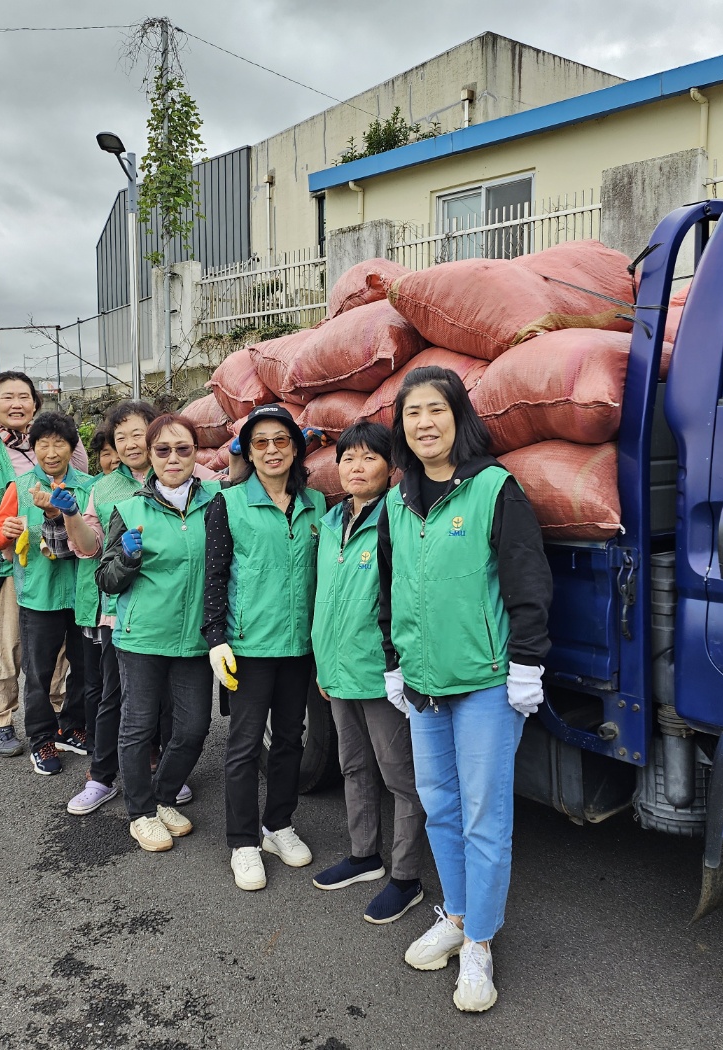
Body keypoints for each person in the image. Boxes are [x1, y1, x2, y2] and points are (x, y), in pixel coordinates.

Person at [376, 365, 552, 1014]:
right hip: (423, 683)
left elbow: (527, 581)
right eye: (413, 413)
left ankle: (479, 942)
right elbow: (388, 588)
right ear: (402, 426)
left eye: (436, 410)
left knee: (484, 816)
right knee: (438, 804)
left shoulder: (493, 490)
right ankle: (454, 916)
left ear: (458, 417)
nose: (425, 423)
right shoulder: (396, 501)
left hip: (483, 683)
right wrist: (394, 661)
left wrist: (527, 663)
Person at [202, 403, 325, 892]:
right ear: (248, 453)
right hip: (249, 647)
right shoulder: (228, 504)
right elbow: (214, 576)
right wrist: (216, 637)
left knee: (291, 740)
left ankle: (278, 825)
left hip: (299, 647)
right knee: (245, 745)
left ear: (295, 447)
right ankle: (242, 842)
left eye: (281, 440)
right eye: (261, 443)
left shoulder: (317, 504)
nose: (272, 450)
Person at [310, 422, 428, 925]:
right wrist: (322, 660)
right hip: (337, 669)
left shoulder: (398, 515)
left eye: (369, 458)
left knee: (401, 776)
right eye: (348, 459)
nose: (357, 468)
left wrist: (399, 667)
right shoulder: (332, 518)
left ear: (391, 466)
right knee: (353, 767)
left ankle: (407, 877)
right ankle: (364, 855)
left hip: (381, 673)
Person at [96, 413, 219, 852]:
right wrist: (127, 559)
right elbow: (105, 579)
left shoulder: (218, 500)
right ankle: (141, 812)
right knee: (138, 726)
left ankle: (164, 796)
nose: (173, 458)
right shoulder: (129, 509)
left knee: (192, 728)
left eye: (183, 449)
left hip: (196, 639)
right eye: (162, 450)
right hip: (142, 638)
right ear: (149, 456)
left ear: (196, 454)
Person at [0, 371, 87, 756]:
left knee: (57, 647)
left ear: (35, 403)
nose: (16, 404)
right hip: (5, 565)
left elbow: (84, 481)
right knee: (6, 644)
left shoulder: (61, 441)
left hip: (59, 563)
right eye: (7, 397)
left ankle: (60, 716)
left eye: (24, 396)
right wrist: (0, 534)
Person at [0, 411, 98, 776]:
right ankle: (42, 738)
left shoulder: (90, 486)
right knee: (39, 672)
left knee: (84, 669)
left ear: (71, 447)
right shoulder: (19, 487)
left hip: (83, 596)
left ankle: (72, 726)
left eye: (59, 443)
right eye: (43, 444)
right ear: (34, 448)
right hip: (39, 596)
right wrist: (8, 530)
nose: (51, 451)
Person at [63, 419, 132, 815]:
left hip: (172, 610)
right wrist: (73, 515)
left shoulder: (182, 475)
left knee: (164, 699)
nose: (129, 444)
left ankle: (160, 767)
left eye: (138, 434)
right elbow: (88, 548)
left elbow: (227, 482)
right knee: (112, 694)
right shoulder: (103, 488)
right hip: (117, 610)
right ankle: (101, 776)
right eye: (119, 438)